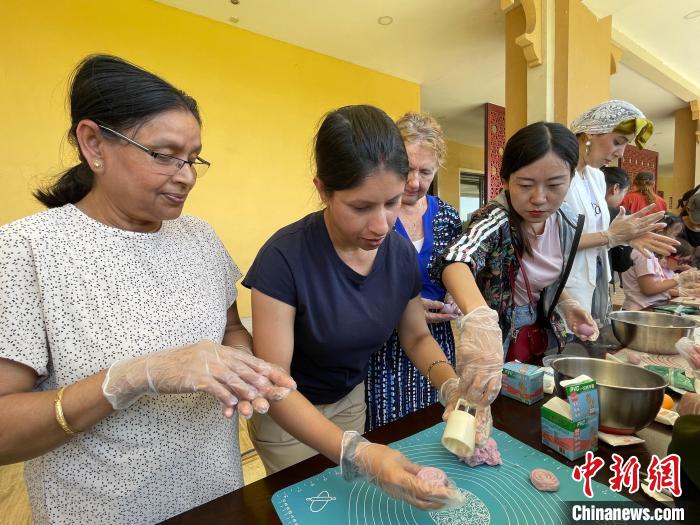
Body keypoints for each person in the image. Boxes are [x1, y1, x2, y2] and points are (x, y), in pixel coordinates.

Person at [0, 55, 297, 525]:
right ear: (93, 143)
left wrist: (242, 368)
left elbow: (230, 329)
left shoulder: (198, 238)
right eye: (164, 155)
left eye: (193, 157)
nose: (186, 176)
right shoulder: (26, 250)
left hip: (216, 500)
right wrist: (135, 376)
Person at [243, 105, 464, 510]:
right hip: (289, 413)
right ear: (324, 189)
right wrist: (359, 453)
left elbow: (415, 335)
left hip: (350, 400)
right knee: (309, 506)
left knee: (351, 506)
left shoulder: (395, 252)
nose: (381, 225)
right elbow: (275, 383)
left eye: (392, 202)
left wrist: (450, 385)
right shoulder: (284, 257)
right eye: (361, 208)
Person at [435, 122, 598, 401]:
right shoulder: (495, 219)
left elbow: (541, 279)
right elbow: (456, 259)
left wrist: (567, 303)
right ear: (506, 180)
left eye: (555, 185)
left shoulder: (567, 221)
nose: (539, 199)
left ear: (570, 178)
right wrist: (479, 319)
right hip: (496, 343)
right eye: (525, 185)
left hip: (539, 333)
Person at [365, 112, 462, 432]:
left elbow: (457, 269)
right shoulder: (373, 215)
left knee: (436, 427)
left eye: (426, 172)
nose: (415, 182)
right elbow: (355, 281)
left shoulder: (447, 216)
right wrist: (405, 306)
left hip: (436, 343)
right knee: (390, 436)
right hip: (384, 348)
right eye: (406, 169)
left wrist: (455, 296)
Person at [564, 100, 679, 322]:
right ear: (591, 133)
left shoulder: (596, 176)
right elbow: (551, 241)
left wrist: (624, 237)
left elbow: (599, 233)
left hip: (597, 280)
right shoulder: (560, 175)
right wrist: (609, 237)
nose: (620, 153)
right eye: (618, 141)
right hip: (566, 284)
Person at [621, 239, 699, 311]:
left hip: (648, 306)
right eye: (681, 261)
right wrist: (684, 287)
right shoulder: (643, 254)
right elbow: (651, 289)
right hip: (641, 308)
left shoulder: (653, 259)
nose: (672, 239)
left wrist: (689, 285)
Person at [602, 166, 633, 276]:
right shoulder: (618, 215)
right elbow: (622, 264)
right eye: (624, 193)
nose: (623, 198)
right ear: (615, 188)